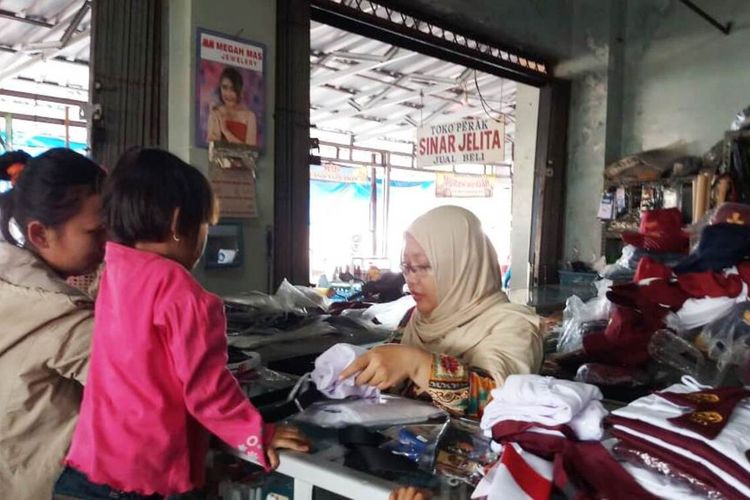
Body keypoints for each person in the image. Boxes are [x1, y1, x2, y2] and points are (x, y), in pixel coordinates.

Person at [55, 149, 308, 498]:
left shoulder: (115, 272)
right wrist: (256, 435)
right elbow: (207, 389)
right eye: (205, 225)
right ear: (178, 224)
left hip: (88, 465)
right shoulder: (183, 293)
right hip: (144, 477)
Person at [340, 206, 543, 418]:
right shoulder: (415, 319)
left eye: (423, 266)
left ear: (463, 267)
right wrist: (354, 369)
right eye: (407, 266)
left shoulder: (514, 325)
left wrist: (416, 364)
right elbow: (390, 372)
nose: (411, 278)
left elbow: (500, 400)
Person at [0, 149, 106, 500]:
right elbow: (139, 394)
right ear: (40, 235)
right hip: (46, 483)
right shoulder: (62, 314)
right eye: (96, 232)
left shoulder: (12, 277)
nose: (108, 246)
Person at [207, 66, 258, 146]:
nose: (228, 94)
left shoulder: (250, 116)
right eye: (224, 88)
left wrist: (226, 131)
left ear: (239, 90)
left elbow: (250, 152)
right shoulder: (216, 112)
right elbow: (213, 148)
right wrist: (214, 119)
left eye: (232, 89)